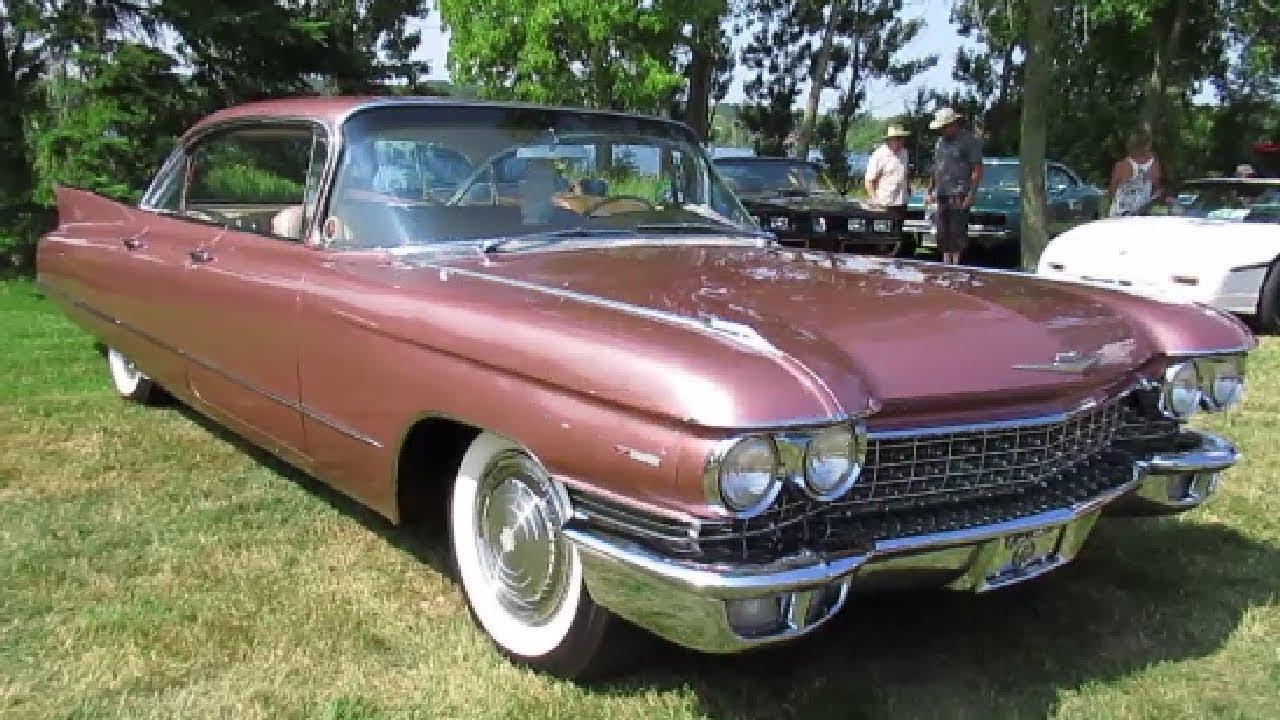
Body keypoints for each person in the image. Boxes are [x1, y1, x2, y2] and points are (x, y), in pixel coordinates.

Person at [924, 108, 983, 265]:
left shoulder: (970, 141)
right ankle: (944, 264)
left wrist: (971, 193)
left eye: (945, 127)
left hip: (959, 193)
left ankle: (956, 266)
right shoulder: (940, 143)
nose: (943, 130)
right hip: (942, 193)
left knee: (957, 233)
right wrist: (930, 191)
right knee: (942, 233)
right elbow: (936, 168)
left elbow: (977, 169)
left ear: (953, 124)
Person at [864, 124, 912, 221]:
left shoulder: (905, 153)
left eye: (902, 138)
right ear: (889, 139)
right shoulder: (879, 155)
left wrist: (909, 189)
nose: (900, 142)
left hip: (901, 202)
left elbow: (905, 173)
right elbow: (869, 180)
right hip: (884, 203)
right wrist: (874, 200)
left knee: (900, 231)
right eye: (897, 139)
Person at [1108, 131, 1161, 217]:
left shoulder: (1121, 166)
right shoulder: (1154, 165)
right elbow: (1155, 189)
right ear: (1147, 144)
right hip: (1142, 212)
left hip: (1119, 213)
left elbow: (1112, 190)